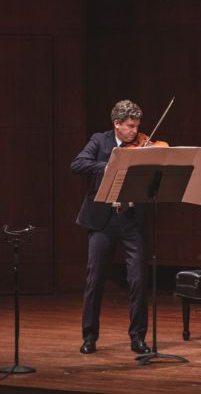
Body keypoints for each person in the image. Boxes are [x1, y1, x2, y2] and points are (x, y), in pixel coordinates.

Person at [70, 99, 151, 355]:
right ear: (116, 124)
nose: (135, 132)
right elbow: (78, 164)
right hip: (103, 220)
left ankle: (138, 337)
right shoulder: (100, 141)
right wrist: (109, 165)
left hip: (131, 219)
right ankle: (89, 337)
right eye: (129, 126)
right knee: (95, 280)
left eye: (137, 126)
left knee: (138, 279)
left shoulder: (142, 144)